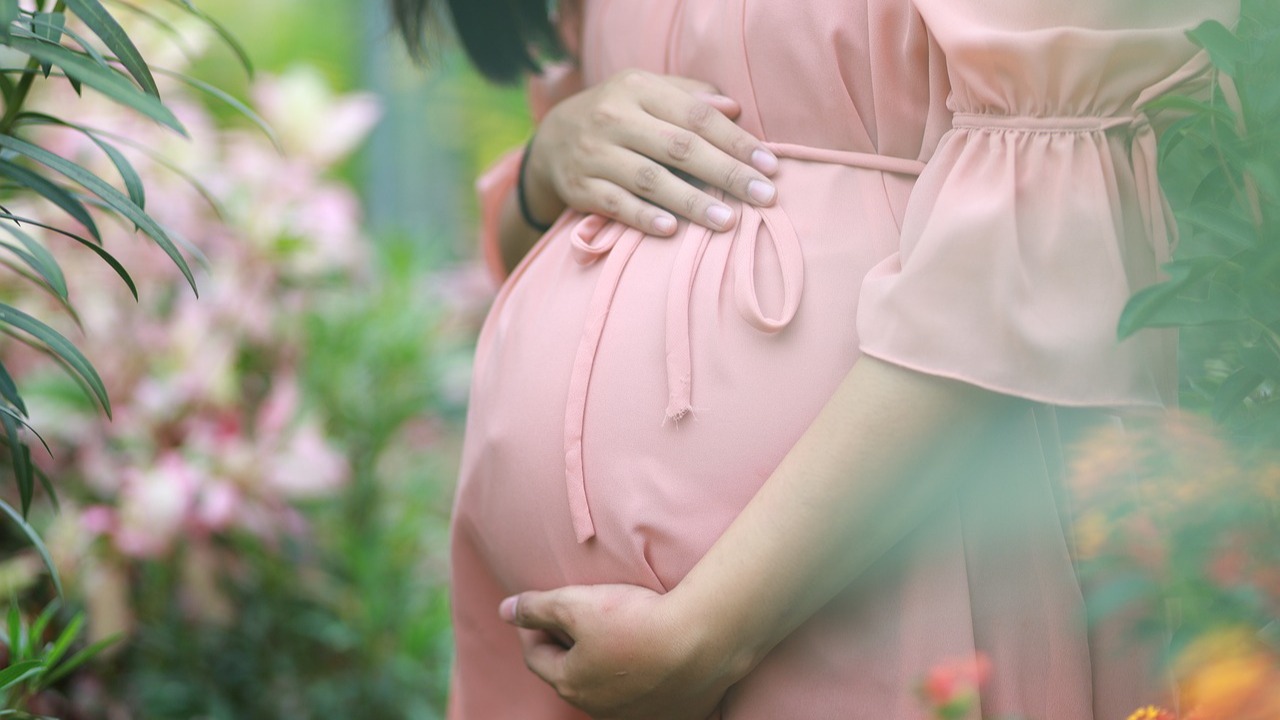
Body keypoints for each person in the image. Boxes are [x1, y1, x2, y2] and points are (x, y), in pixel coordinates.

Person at [391, 0, 1239, 718]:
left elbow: (1057, 241)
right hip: (566, 664)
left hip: (903, 559)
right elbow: (533, 238)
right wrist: (550, 159)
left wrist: (708, 634)